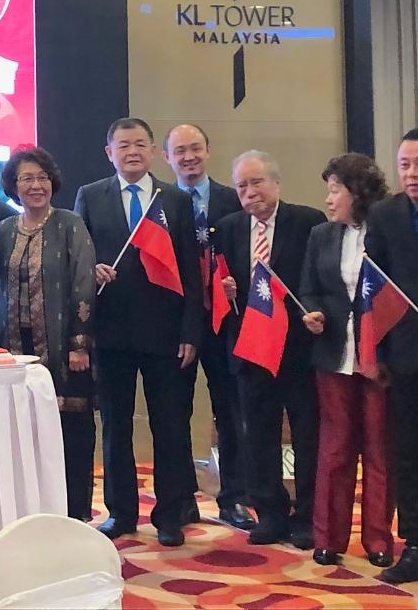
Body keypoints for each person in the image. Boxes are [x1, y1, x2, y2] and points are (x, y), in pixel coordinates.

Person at [73, 117, 201, 547]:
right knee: (115, 426)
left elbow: (190, 271)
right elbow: (77, 262)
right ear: (109, 152)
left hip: (165, 333)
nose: (131, 151)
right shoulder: (90, 196)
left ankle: (169, 515)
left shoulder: (175, 201)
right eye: (122, 145)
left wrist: (190, 331)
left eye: (140, 144)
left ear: (151, 151)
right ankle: (121, 512)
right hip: (110, 333)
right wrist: (91, 272)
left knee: (170, 427)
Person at [214, 150, 325, 549]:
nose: (249, 192)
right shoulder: (226, 228)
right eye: (241, 185)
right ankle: (270, 513)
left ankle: (308, 516)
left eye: (257, 182)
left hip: (298, 349)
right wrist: (224, 290)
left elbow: (320, 278)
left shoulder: (309, 222)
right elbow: (222, 282)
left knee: (307, 435)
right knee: (257, 435)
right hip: (251, 349)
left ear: (276, 184)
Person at [363, 127, 418, 584]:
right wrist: (372, 353)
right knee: (409, 454)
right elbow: (371, 287)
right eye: (404, 165)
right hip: (408, 352)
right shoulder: (385, 215)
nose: (412, 174)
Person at [298, 152, 394, 568]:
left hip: (380, 356)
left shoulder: (389, 230)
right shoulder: (321, 234)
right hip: (333, 353)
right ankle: (328, 539)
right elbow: (310, 288)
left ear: (357, 192)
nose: (329, 198)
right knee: (335, 449)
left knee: (378, 449)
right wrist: (312, 312)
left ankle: (377, 540)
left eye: (335, 189)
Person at [0, 146, 95, 520]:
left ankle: (76, 512)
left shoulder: (69, 224)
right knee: (21, 434)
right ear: (13, 186)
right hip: (15, 354)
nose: (36, 185)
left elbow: (84, 283)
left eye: (42, 177)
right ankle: (30, 512)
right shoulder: (2, 231)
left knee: (72, 434)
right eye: (26, 179)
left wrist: (79, 344)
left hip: (65, 353)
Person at [162, 123, 253, 532]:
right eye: (179, 151)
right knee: (173, 415)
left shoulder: (233, 200)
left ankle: (234, 498)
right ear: (167, 158)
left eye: (195, 149)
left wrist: (238, 284)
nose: (188, 158)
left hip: (225, 321)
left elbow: (253, 257)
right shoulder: (159, 202)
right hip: (177, 322)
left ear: (208, 150)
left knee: (231, 414)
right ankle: (182, 500)